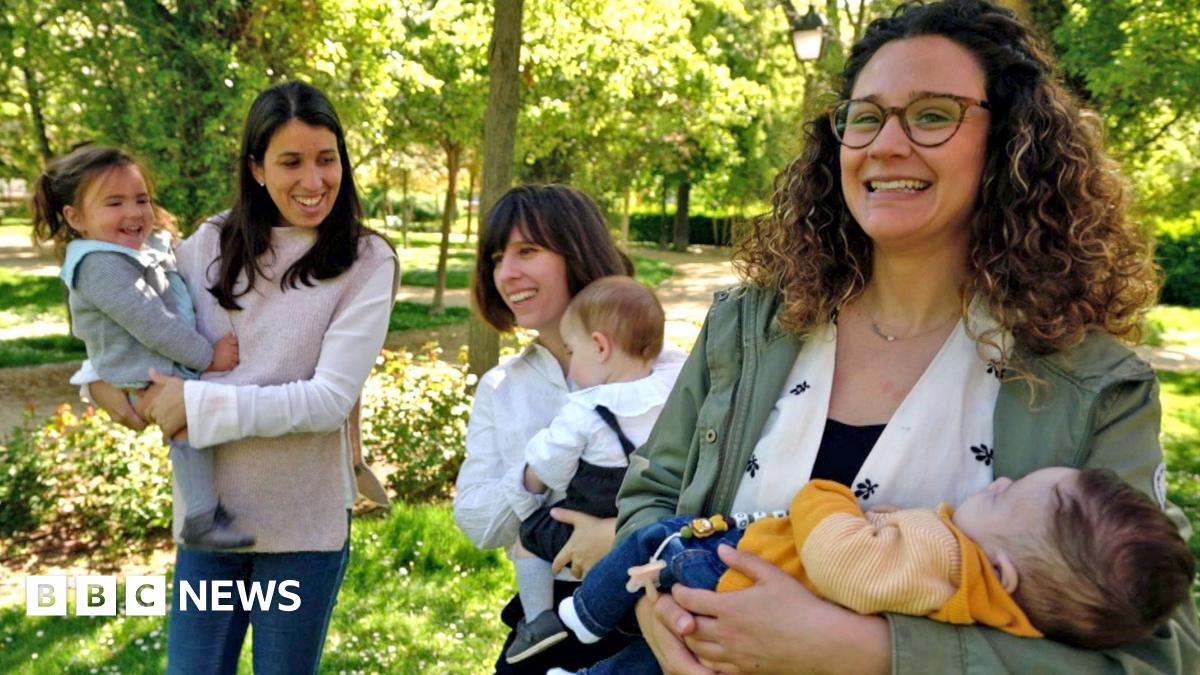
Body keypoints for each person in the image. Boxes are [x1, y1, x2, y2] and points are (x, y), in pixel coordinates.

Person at [612, 1, 1200, 673]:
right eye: (866, 117)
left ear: (1009, 141)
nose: (887, 145)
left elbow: (1163, 656)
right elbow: (652, 493)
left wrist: (870, 652)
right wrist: (656, 607)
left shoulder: (1094, 386)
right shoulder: (749, 325)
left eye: (932, 114)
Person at [82, 81, 397, 674]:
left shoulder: (367, 260)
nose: (313, 180)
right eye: (291, 162)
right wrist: (93, 379)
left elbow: (328, 400)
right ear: (256, 168)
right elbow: (138, 318)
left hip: (301, 531)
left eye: (326, 159)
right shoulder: (207, 243)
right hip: (211, 527)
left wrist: (196, 405)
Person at [551, 468, 1195, 674]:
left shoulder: (949, 556)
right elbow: (659, 477)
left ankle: (579, 618)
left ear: (1002, 571)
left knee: (656, 544)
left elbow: (845, 564)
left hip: (727, 574)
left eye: (1006, 495)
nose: (997, 481)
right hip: (721, 610)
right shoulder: (1009, 613)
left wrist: (824, 497)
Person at [453, 184, 687, 674]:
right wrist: (535, 476)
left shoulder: (669, 374)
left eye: (527, 251)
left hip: (664, 608)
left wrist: (618, 534)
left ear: (578, 252)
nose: (506, 273)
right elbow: (478, 522)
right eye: (497, 258)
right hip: (553, 620)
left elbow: (718, 493)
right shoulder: (502, 388)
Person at [33, 144, 253, 550]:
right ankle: (201, 518)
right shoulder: (98, 265)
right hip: (140, 374)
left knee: (190, 426)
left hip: (152, 365)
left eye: (141, 199)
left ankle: (204, 514)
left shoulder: (130, 249)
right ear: (76, 218)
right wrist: (209, 356)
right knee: (185, 425)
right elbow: (154, 325)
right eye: (115, 203)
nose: (134, 212)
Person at [507, 276, 682, 664]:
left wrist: (527, 483)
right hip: (654, 513)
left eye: (573, 351)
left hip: (595, 511)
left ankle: (538, 623)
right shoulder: (673, 387)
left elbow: (551, 468)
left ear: (600, 347)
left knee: (529, 538)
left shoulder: (585, 409)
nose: (571, 363)